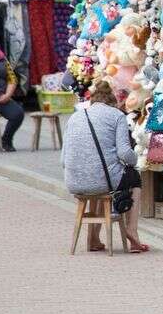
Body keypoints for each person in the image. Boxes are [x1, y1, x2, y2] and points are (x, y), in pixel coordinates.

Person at [61, 80, 147, 253]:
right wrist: (135, 159)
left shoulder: (75, 117)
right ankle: (132, 230)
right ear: (112, 101)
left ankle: (93, 238)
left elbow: (63, 159)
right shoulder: (117, 115)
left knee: (100, 181)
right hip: (104, 181)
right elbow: (124, 153)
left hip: (74, 182)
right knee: (135, 179)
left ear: (92, 100)